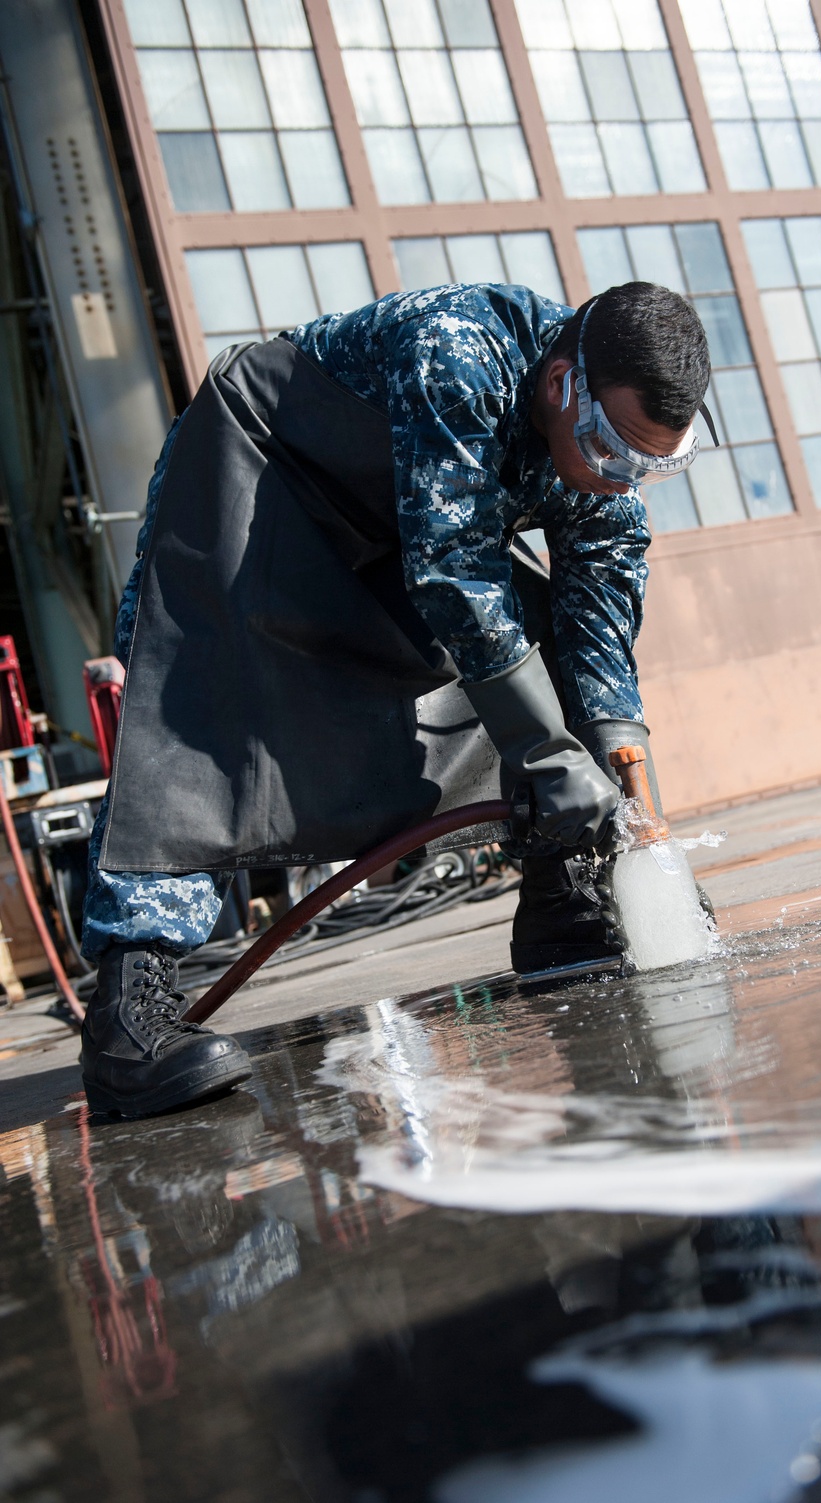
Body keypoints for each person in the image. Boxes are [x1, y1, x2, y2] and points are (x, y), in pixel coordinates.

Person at [78, 279, 712, 1118]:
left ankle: (567, 907)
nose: (617, 474)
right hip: (263, 469)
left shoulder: (607, 464)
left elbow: (597, 621)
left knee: (557, 651)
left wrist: (630, 801)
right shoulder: (462, 351)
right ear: (562, 381)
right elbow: (452, 567)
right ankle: (132, 1008)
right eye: (607, 445)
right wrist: (551, 757)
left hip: (386, 527)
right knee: (195, 702)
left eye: (648, 464)